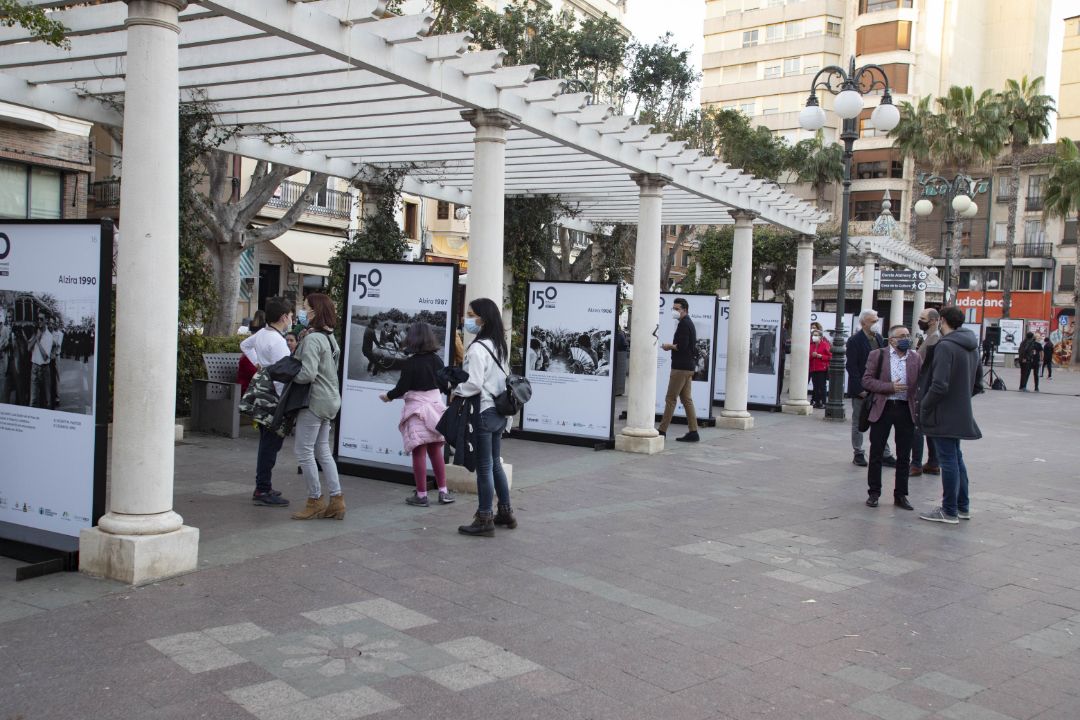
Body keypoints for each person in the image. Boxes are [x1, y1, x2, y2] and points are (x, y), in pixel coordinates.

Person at [455, 297, 515, 536]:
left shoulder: (479, 348)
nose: (467, 319)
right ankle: (506, 511)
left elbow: (474, 383)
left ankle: (484, 517)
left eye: (471, 315)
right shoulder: (498, 346)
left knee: (484, 467)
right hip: (500, 412)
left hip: (484, 410)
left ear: (483, 318)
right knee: (495, 464)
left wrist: (456, 391)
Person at [919, 306, 983, 524]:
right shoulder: (972, 345)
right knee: (956, 458)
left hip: (942, 413)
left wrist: (924, 406)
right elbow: (977, 384)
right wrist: (961, 399)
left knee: (948, 460)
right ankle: (962, 507)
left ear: (942, 320)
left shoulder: (945, 346)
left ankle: (948, 510)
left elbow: (939, 385)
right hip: (960, 411)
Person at [380, 322, 455, 507]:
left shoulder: (410, 363)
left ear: (412, 339)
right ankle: (443, 492)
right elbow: (445, 385)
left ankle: (421, 495)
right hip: (435, 410)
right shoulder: (437, 360)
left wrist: (388, 396)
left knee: (419, 452)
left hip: (416, 411)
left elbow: (402, 388)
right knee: (436, 450)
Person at [291, 293, 345, 521]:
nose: (303, 312)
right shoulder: (330, 338)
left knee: (304, 451)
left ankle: (315, 500)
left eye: (305, 308)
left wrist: (288, 375)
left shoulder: (313, 339)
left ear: (315, 311)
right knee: (323, 450)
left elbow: (307, 374)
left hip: (315, 401)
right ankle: (336, 500)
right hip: (331, 399)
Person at [862, 324, 921, 510]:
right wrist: (889, 387)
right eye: (902, 335)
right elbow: (867, 380)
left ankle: (901, 494)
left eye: (908, 335)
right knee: (876, 452)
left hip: (906, 408)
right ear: (892, 339)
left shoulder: (915, 357)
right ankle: (874, 492)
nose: (907, 338)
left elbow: (921, 381)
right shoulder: (878, 355)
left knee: (904, 455)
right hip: (884, 407)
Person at [242, 297, 294, 507]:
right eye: (290, 315)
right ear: (283, 317)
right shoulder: (279, 342)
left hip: (263, 395)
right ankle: (263, 488)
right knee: (270, 446)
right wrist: (284, 404)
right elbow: (284, 375)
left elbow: (244, 344)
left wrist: (258, 364)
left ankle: (263, 486)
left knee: (266, 443)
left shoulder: (262, 334)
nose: (292, 318)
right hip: (275, 398)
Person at [846, 309, 894, 467]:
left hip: (878, 387)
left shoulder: (879, 338)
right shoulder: (855, 341)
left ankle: (885, 453)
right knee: (859, 420)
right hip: (862, 388)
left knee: (881, 420)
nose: (876, 323)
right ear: (863, 323)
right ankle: (858, 452)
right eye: (873, 321)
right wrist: (859, 388)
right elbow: (852, 366)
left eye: (877, 320)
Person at [657, 297, 700, 442]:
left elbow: (682, 346)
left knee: (670, 399)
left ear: (684, 310)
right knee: (687, 399)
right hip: (688, 367)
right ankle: (693, 431)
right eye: (673, 309)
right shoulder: (689, 323)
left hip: (680, 368)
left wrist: (668, 346)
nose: (674, 311)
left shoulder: (683, 324)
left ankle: (662, 431)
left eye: (677, 309)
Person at [911, 308, 941, 477]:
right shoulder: (930, 337)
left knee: (918, 428)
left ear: (933, 320)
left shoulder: (935, 339)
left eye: (923, 318)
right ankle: (933, 462)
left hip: (924, 387)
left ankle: (916, 464)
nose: (920, 320)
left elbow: (923, 363)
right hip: (926, 387)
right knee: (928, 428)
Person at [28, 315, 54, 409]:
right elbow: (29, 348)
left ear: (46, 320)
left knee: (47, 400)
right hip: (34, 368)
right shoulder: (36, 333)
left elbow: (45, 356)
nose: (39, 321)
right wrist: (36, 337)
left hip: (44, 370)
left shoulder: (49, 336)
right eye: (38, 319)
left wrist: (38, 340)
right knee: (33, 400)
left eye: (41, 319)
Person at [808, 326, 831, 409]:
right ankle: (816, 402)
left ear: (820, 337)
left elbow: (830, 357)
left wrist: (820, 356)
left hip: (822, 369)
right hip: (813, 368)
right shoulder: (811, 345)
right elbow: (808, 357)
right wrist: (812, 355)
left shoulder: (825, 345)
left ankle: (824, 402)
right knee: (815, 386)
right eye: (813, 335)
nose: (814, 336)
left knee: (822, 386)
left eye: (816, 335)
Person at [0, 313, 12, 404]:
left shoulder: (16, 328)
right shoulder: (4, 329)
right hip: (6, 359)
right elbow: (1, 345)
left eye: (10, 317)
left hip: (15, 359)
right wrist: (6, 343)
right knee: (5, 385)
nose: (9, 319)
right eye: (8, 317)